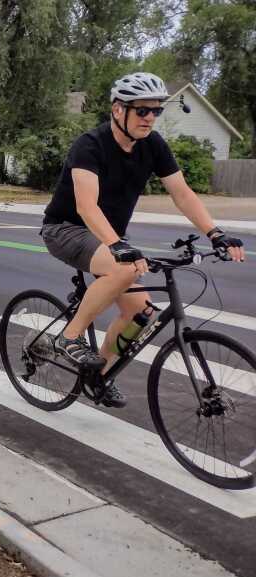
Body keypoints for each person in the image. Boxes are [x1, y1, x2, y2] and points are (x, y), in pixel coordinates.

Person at [41, 72, 245, 408]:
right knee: (125, 271)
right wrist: (117, 245)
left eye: (156, 111)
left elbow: (181, 193)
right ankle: (68, 337)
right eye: (142, 111)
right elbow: (86, 206)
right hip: (65, 229)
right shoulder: (89, 146)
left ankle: (100, 375)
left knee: (142, 313)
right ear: (118, 110)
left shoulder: (152, 146)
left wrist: (216, 233)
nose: (150, 118)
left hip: (109, 237)